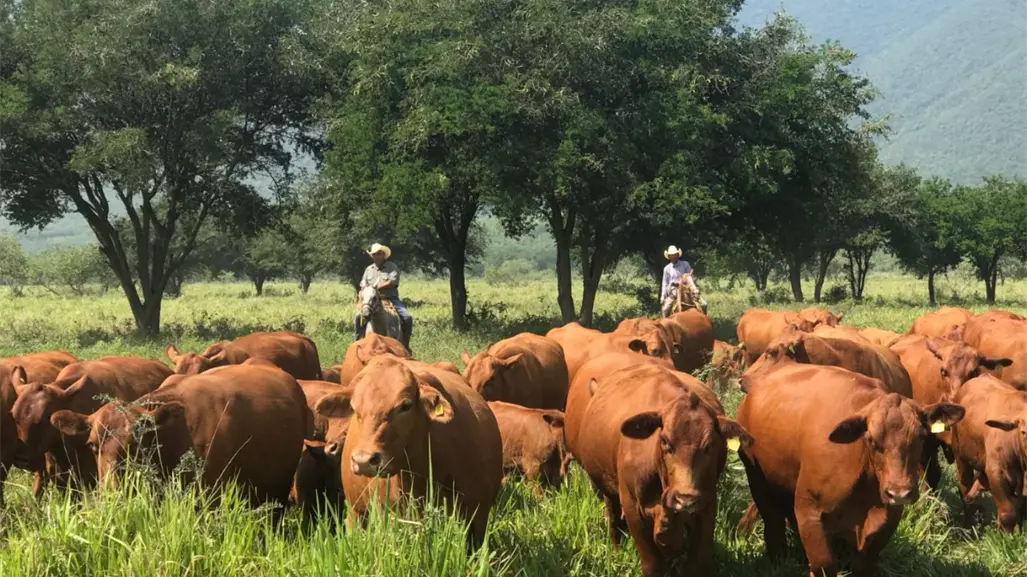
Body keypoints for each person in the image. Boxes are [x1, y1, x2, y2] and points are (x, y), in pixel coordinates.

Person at [353, 243, 413, 349]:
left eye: (378, 254)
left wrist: (377, 287)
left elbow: (393, 281)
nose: (376, 256)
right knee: (358, 316)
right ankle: (357, 340)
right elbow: (363, 282)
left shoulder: (392, 267)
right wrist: (365, 288)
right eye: (374, 254)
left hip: (390, 298)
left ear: (383, 254)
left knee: (407, 317)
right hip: (371, 300)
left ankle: (406, 344)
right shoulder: (369, 269)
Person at [660, 245, 699, 318]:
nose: (673, 257)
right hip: (673, 290)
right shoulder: (667, 268)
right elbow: (664, 283)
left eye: (674, 255)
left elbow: (690, 276)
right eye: (671, 255)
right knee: (665, 309)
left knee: (703, 304)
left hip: (687, 288)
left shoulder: (685, 264)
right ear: (669, 257)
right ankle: (665, 324)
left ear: (678, 255)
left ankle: (705, 322)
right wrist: (663, 296)